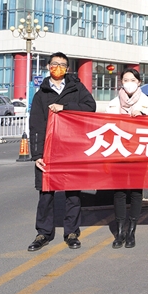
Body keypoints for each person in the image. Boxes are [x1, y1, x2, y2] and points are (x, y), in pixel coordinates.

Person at [28, 52, 96, 252]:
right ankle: (43, 233)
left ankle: (72, 232)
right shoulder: (41, 94)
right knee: (46, 194)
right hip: (48, 151)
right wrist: (36, 155)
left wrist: (64, 107)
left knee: (73, 194)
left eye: (62, 65)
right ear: (48, 66)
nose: (58, 67)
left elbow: (90, 107)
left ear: (67, 69)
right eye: (54, 64)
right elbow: (36, 126)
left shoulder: (76, 87)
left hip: (71, 149)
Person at [105, 68, 148, 249]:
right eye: (125, 80)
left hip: (139, 153)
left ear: (139, 82)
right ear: (121, 82)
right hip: (118, 153)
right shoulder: (113, 104)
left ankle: (131, 231)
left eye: (132, 80)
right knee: (119, 192)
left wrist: (143, 117)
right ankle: (120, 231)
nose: (129, 83)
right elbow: (104, 128)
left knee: (136, 192)